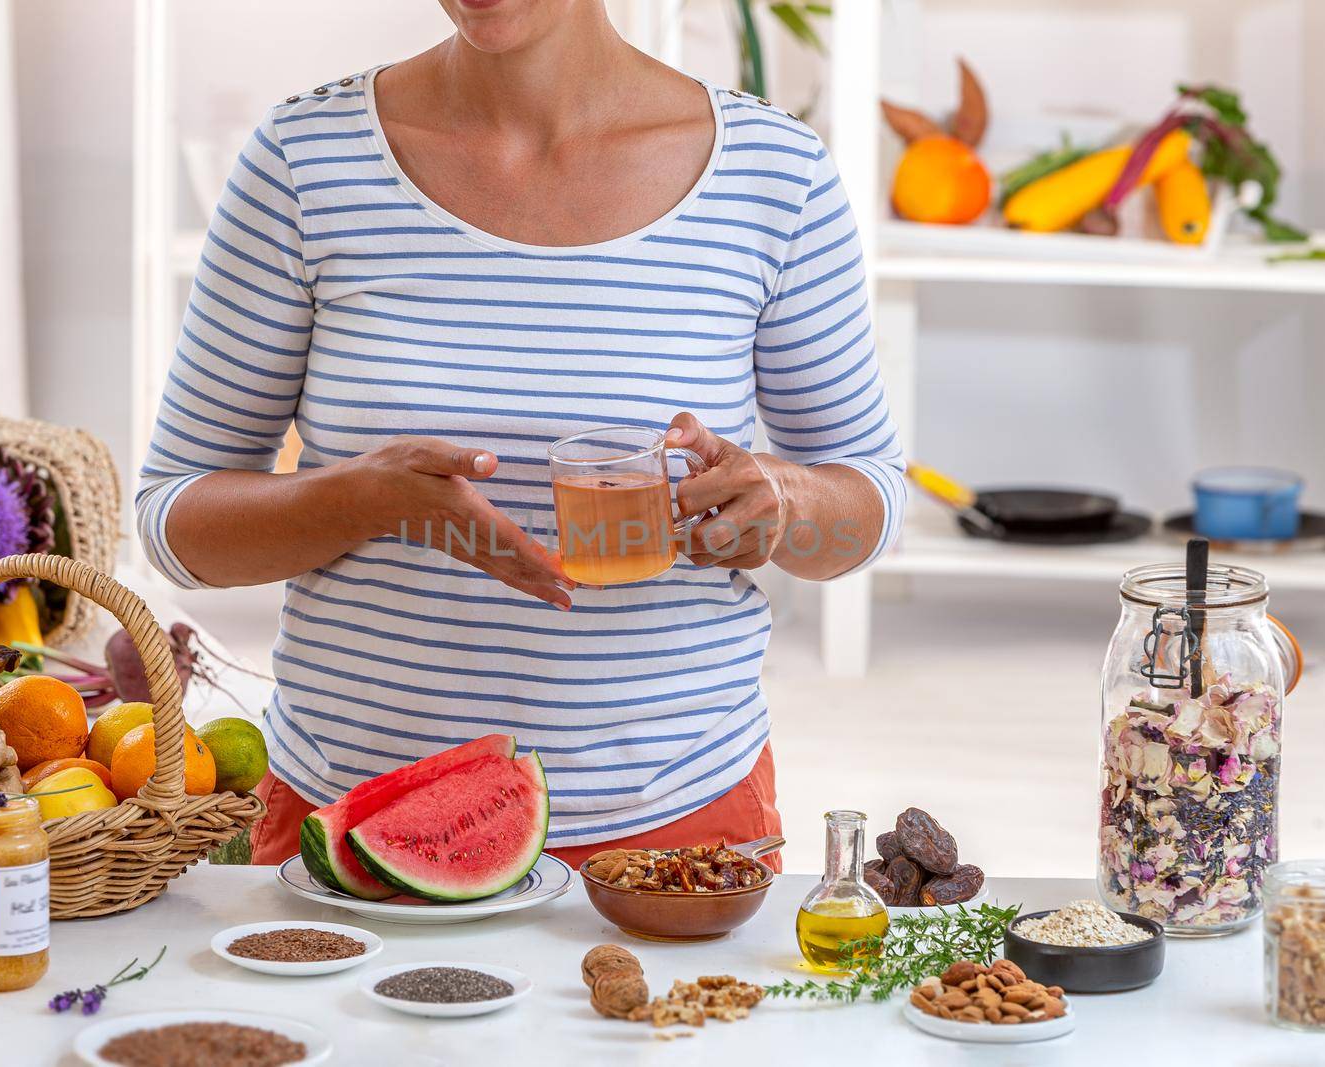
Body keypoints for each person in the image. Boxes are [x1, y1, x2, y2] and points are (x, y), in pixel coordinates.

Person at [134, 0, 905, 869]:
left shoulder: (774, 172)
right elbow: (174, 521)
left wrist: (789, 502)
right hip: (352, 820)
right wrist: (360, 499)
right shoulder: (305, 160)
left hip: (676, 824)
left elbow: (870, 503)